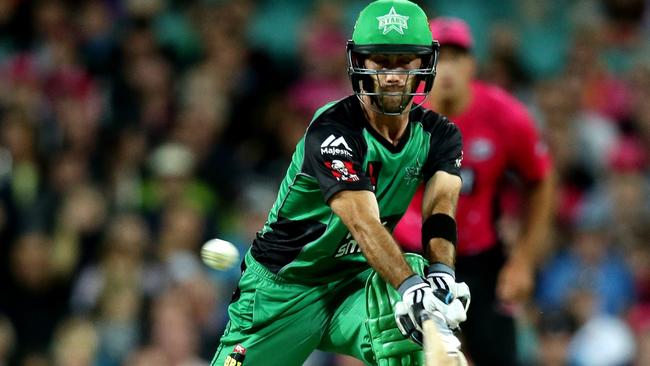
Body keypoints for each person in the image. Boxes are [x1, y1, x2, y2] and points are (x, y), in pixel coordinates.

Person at [209, 1, 471, 365]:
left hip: (355, 284)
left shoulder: (441, 135)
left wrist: (442, 275)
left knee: (410, 312)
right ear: (360, 63)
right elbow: (363, 222)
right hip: (283, 290)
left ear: (423, 63)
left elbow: (441, 207)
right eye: (381, 62)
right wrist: (411, 287)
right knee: (410, 286)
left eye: (404, 61)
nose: (393, 75)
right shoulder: (332, 131)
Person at [393, 17, 555, 365]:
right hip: (414, 257)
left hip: (480, 258)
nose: (447, 68)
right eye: (439, 57)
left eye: (456, 57)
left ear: (472, 65)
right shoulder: (397, 116)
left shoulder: (505, 115)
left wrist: (523, 260)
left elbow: (540, 180)